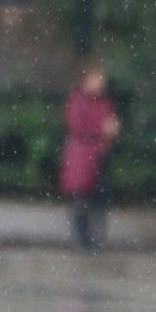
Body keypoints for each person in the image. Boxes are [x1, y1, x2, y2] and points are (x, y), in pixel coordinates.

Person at [58, 60, 120, 251]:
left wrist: (110, 132)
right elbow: (77, 125)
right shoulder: (78, 101)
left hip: (99, 156)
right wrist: (102, 129)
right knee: (80, 199)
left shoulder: (104, 102)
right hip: (83, 157)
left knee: (97, 200)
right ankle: (83, 239)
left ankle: (94, 239)